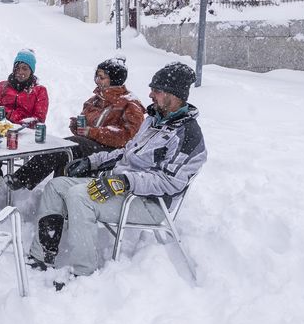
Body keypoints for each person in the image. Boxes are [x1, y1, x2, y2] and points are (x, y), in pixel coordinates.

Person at [26, 62, 206, 284]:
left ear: (174, 95)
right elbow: (126, 154)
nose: (150, 94)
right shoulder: (153, 121)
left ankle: (84, 273)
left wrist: (126, 180)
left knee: (80, 197)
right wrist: (91, 162)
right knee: (57, 186)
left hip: (149, 203)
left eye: (157, 91)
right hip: (122, 188)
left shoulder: (188, 136)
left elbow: (170, 182)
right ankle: (43, 254)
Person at [6, 56, 145, 191]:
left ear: (114, 80)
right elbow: (85, 126)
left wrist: (91, 132)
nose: (97, 81)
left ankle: (23, 178)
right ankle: (56, 194)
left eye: (102, 77)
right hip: (89, 145)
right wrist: (77, 127)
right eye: (96, 76)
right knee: (65, 150)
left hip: (112, 152)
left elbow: (127, 137)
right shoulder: (95, 100)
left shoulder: (130, 103)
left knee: (69, 146)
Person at [0, 48, 49, 125]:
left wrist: (11, 117)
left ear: (31, 71)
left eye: (25, 69)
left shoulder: (40, 91)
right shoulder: (3, 86)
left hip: (24, 132)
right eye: (17, 68)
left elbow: (39, 120)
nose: (20, 72)